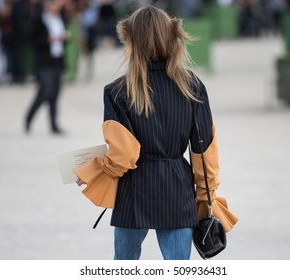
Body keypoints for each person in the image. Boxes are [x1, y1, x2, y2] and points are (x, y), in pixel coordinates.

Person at [73, 6, 237, 260]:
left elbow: (123, 155)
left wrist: (93, 169)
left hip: (133, 191)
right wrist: (207, 198)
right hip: (177, 190)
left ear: (132, 42)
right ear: (171, 37)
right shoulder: (192, 87)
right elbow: (204, 154)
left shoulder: (117, 92)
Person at [25, 0, 68, 134]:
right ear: (47, 5)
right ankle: (29, 118)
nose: (57, 7)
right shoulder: (38, 19)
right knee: (45, 92)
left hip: (57, 60)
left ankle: (54, 125)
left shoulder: (61, 18)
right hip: (44, 61)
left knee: (55, 94)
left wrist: (64, 38)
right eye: (54, 4)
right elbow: (31, 39)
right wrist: (47, 40)